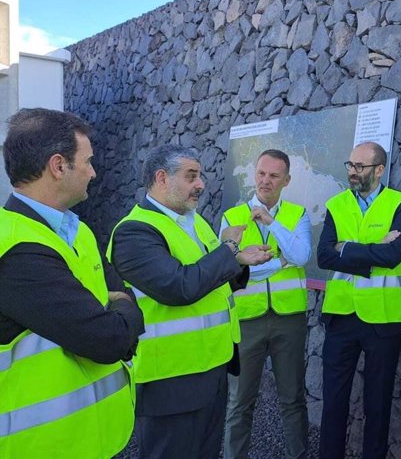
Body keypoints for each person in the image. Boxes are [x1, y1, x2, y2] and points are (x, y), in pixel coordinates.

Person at [108, 144, 272, 459]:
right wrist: (229, 251)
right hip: (170, 380)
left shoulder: (193, 221)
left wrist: (239, 261)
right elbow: (179, 286)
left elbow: (207, 275)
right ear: (161, 178)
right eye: (191, 176)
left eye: (200, 176)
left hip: (211, 368)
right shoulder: (133, 232)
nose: (201, 184)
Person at [0, 108, 144, 459]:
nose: (94, 172)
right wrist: (124, 308)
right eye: (88, 161)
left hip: (94, 436)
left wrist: (120, 308)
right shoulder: (16, 249)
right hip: (42, 447)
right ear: (58, 165)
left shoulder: (77, 230)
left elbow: (117, 303)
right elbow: (107, 340)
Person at [317, 141, 401, 459]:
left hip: (384, 320)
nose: (352, 172)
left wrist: (345, 248)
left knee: (378, 403)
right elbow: (323, 256)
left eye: (359, 166)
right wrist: (372, 247)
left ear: (379, 170)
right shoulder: (336, 204)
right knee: (333, 401)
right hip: (341, 315)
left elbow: (393, 255)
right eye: (350, 165)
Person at [221, 149, 311, 459]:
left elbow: (301, 257)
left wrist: (271, 223)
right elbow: (229, 268)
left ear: (287, 180)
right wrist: (277, 263)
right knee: (238, 402)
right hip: (247, 320)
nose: (265, 181)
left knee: (293, 399)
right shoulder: (232, 217)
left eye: (274, 175)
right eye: (261, 173)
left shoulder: (297, 215)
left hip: (289, 319)